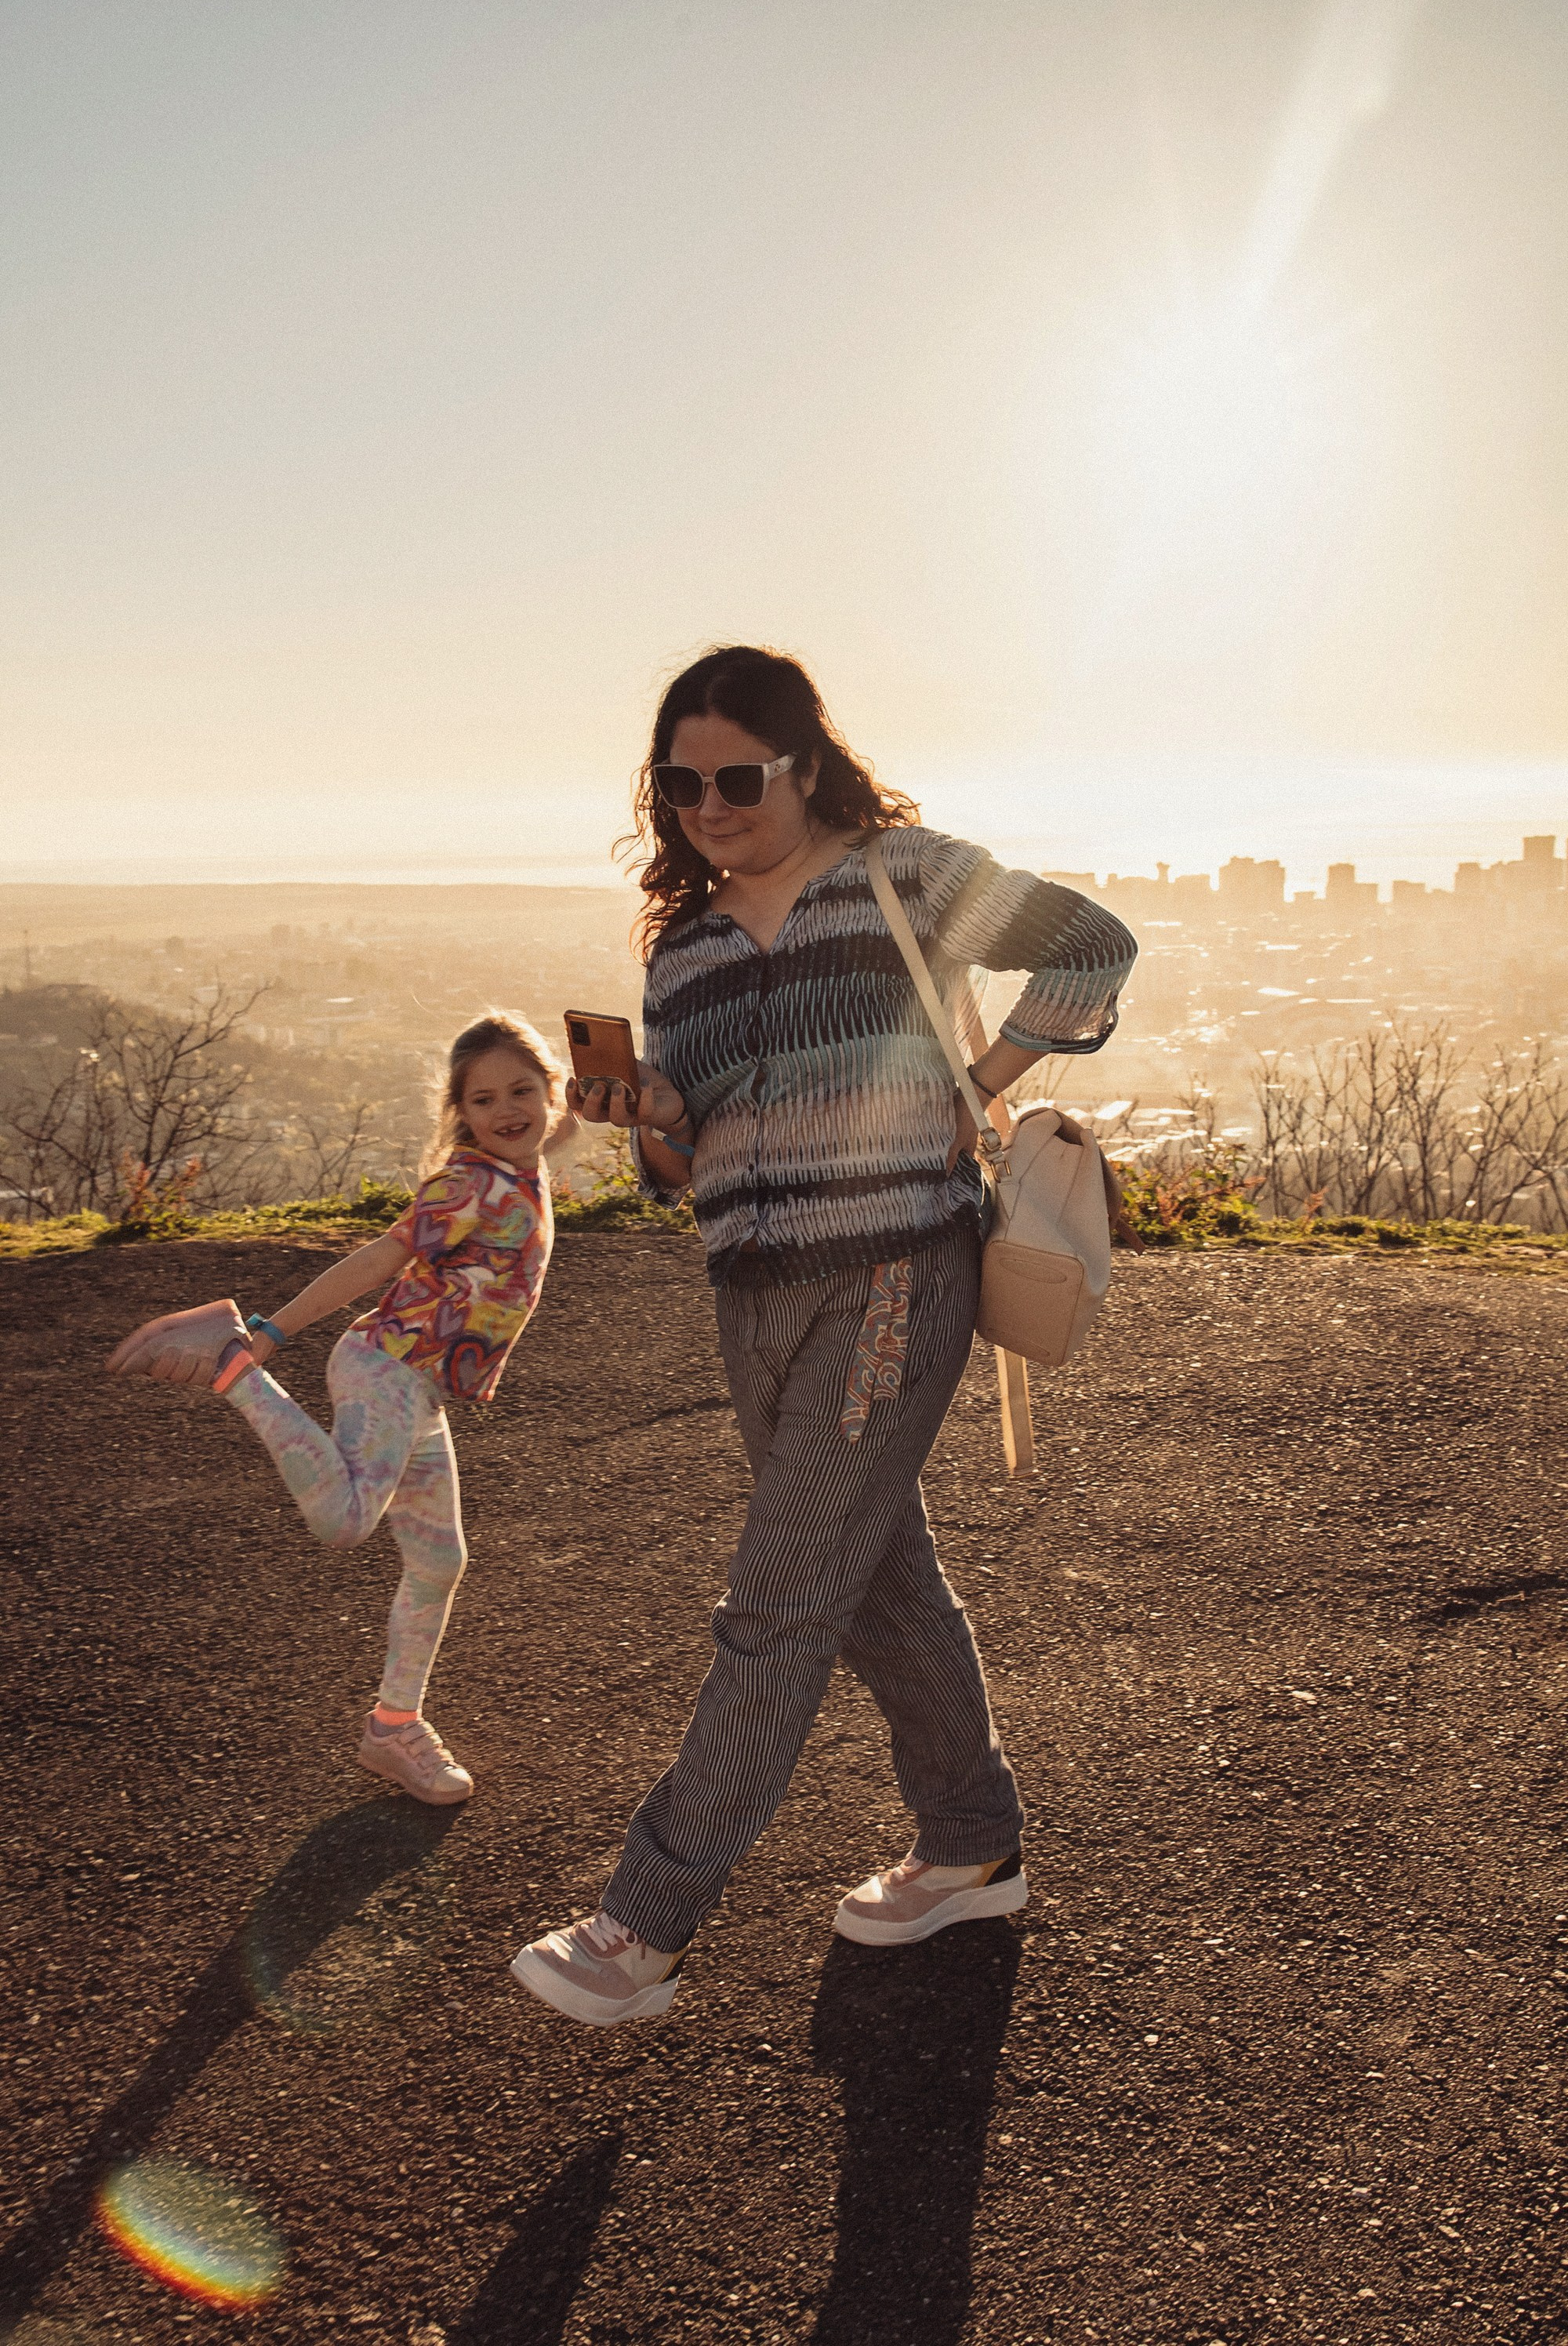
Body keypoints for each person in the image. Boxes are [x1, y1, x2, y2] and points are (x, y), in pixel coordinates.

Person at [510, 645, 1137, 2026]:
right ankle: (971, 1845)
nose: (709, 808)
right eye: (680, 785)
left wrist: (980, 1080)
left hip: (893, 1271)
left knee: (781, 1602)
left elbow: (1095, 946)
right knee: (876, 1577)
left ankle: (642, 1926)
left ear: (804, 766)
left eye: (738, 779)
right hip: (751, 1295)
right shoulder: (682, 951)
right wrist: (651, 1119)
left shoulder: (906, 877)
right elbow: (689, 1157)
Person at [105, 1014, 576, 1805]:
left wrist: (608, 1098)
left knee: (438, 1562)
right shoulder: (468, 1184)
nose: (506, 1110)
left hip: (418, 1389)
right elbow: (380, 1258)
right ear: (462, 1113)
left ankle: (393, 1728)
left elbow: (560, 1129)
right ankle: (229, 1366)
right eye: (484, 1099)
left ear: (549, 1094)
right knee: (346, 1520)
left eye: (522, 1092)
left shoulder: (522, 1163)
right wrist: (269, 1335)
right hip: (383, 1368)